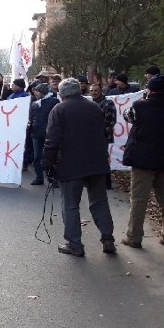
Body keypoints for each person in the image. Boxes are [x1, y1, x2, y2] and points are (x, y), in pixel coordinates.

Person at [42, 78, 117, 257]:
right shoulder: (95, 108)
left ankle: (75, 244)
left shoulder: (59, 109)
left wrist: (47, 162)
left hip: (71, 162)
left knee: (70, 204)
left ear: (62, 93)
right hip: (96, 162)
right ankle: (108, 238)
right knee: (99, 201)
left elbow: (52, 140)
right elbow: (104, 133)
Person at [120, 74, 164, 249]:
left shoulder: (140, 106)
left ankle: (134, 237)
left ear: (149, 90)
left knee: (139, 200)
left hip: (143, 161)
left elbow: (128, 116)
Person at [29, 82, 58, 185]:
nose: (35, 93)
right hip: (36, 134)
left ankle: (53, 178)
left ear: (43, 92)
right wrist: (29, 124)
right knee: (37, 157)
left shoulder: (54, 101)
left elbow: (55, 117)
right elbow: (31, 118)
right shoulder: (34, 104)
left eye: (37, 91)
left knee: (50, 156)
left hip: (49, 134)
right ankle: (39, 177)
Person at [89, 83, 116, 189]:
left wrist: (97, 132)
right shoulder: (89, 103)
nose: (93, 93)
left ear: (101, 91)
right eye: (91, 91)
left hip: (102, 136)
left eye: (95, 90)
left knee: (103, 159)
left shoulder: (108, 103)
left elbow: (110, 122)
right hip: (90, 136)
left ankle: (106, 183)